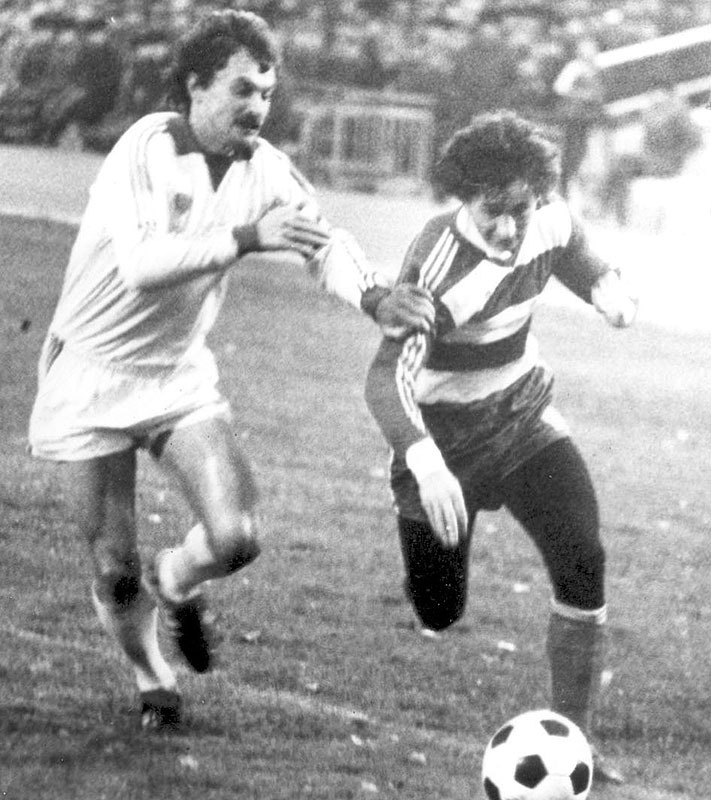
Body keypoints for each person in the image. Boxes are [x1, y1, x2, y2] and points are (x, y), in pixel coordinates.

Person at [28, 10, 434, 732]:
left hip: (176, 377)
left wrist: (375, 297)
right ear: (195, 85)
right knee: (113, 567)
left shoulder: (265, 168)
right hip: (88, 372)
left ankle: (176, 582)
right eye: (242, 89)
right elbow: (141, 266)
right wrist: (246, 237)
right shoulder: (146, 146)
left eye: (266, 94)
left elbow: (321, 242)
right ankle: (153, 678)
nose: (257, 107)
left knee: (236, 537)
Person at [364, 110, 637, 784]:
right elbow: (383, 379)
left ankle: (576, 740)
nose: (510, 228)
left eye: (522, 208)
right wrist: (424, 463)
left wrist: (605, 288)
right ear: (464, 199)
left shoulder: (548, 216)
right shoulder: (436, 268)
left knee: (583, 556)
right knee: (438, 609)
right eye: (493, 212)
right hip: (443, 447)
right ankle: (423, 544)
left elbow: (573, 251)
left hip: (521, 417)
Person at [553, 37, 605, 198]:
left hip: (587, 116)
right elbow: (560, 87)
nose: (592, 52)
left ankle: (577, 186)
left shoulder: (593, 67)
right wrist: (582, 95)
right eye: (588, 49)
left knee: (583, 150)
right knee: (572, 151)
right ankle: (564, 185)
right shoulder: (575, 66)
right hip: (574, 115)